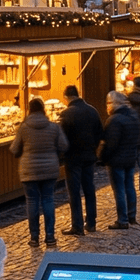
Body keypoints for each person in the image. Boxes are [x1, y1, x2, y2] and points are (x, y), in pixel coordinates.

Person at [9, 98, 68, 247]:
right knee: (48, 200)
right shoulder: (53, 127)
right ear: (43, 110)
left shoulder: (24, 128)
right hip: (49, 170)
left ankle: (34, 237)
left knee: (32, 202)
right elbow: (64, 145)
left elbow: (14, 149)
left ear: (29, 110)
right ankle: (50, 236)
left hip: (29, 171)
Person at [58, 85, 103, 235]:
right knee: (89, 190)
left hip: (73, 159)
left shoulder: (66, 114)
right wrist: (93, 148)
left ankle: (77, 225)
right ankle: (91, 222)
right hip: (89, 157)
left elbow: (62, 139)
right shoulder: (92, 111)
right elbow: (99, 133)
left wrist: (62, 157)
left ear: (66, 97)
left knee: (74, 192)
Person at [99, 91, 140, 230]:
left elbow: (111, 144)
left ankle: (122, 220)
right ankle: (132, 215)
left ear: (114, 104)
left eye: (108, 103)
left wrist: (103, 157)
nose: (107, 106)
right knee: (129, 186)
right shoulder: (133, 116)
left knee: (119, 190)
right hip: (130, 157)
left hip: (116, 160)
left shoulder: (114, 120)